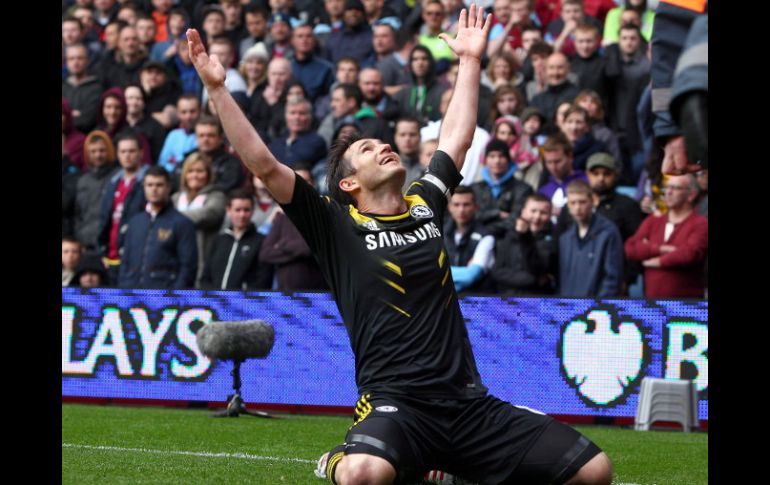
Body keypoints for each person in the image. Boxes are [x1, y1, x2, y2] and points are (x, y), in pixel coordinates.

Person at [186, 4, 612, 483]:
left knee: (593, 471)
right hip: (396, 404)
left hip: (468, 403)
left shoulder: (424, 202)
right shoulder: (334, 225)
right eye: (366, 150)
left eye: (381, 142)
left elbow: (456, 136)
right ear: (348, 185)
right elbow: (264, 165)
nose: (382, 146)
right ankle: (340, 458)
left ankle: (446, 467)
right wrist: (219, 89)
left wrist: (470, 62)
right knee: (365, 475)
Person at [624, 173, 708, 298]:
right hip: (652, 308)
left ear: (691, 195)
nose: (668, 192)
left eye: (675, 188)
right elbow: (630, 248)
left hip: (687, 308)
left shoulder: (701, 223)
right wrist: (660, 249)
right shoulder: (653, 221)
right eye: (666, 188)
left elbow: (689, 254)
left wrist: (659, 261)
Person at [119, 166, 197, 289]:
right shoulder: (135, 222)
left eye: (159, 185)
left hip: (165, 295)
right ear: (144, 187)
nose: (154, 189)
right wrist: (124, 287)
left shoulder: (182, 223)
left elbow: (188, 266)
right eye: (149, 185)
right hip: (132, 293)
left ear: (168, 188)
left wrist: (175, 295)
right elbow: (125, 262)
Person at [97, 133, 149, 285]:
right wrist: (101, 250)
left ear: (141, 153)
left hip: (134, 258)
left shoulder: (149, 181)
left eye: (131, 151)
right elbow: (104, 218)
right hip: (109, 257)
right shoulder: (112, 181)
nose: (127, 156)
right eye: (123, 151)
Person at [558, 179, 623, 297]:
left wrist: (599, 308)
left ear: (592, 202)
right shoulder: (565, 239)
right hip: (570, 308)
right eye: (573, 203)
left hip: (596, 311)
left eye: (582, 202)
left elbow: (612, 278)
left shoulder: (608, 232)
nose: (577, 207)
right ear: (567, 206)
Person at [200, 188, 274, 290]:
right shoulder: (218, 240)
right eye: (237, 210)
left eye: (246, 210)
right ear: (228, 210)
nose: (242, 215)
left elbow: (263, 279)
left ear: (252, 211)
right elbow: (205, 276)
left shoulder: (261, 241)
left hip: (244, 303)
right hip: (215, 302)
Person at [172, 152, 227, 287]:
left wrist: (172, 219)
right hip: (174, 262)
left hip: (202, 261)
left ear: (208, 174)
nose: (194, 175)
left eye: (200, 171)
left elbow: (208, 214)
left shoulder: (217, 196)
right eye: (190, 171)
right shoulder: (175, 198)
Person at [491, 193, 557, 295]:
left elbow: (538, 269)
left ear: (550, 215)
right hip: (506, 301)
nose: (537, 216)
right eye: (533, 211)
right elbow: (497, 272)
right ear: (523, 211)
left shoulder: (553, 240)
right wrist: (533, 280)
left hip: (536, 302)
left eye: (543, 212)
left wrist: (525, 236)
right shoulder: (509, 236)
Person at [471, 139, 533, 238]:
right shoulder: (475, 188)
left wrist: (485, 229)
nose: (497, 161)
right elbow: (471, 216)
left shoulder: (523, 189)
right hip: (477, 240)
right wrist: (497, 214)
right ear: (485, 160)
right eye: (492, 156)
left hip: (509, 241)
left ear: (508, 160)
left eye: (501, 156)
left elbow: (516, 219)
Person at [443, 186, 495, 293]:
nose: (461, 210)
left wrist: (438, 275)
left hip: (476, 303)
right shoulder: (439, 233)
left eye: (466, 204)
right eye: (456, 205)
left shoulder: (486, 236)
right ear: (449, 207)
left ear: (475, 207)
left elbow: (470, 276)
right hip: (446, 302)